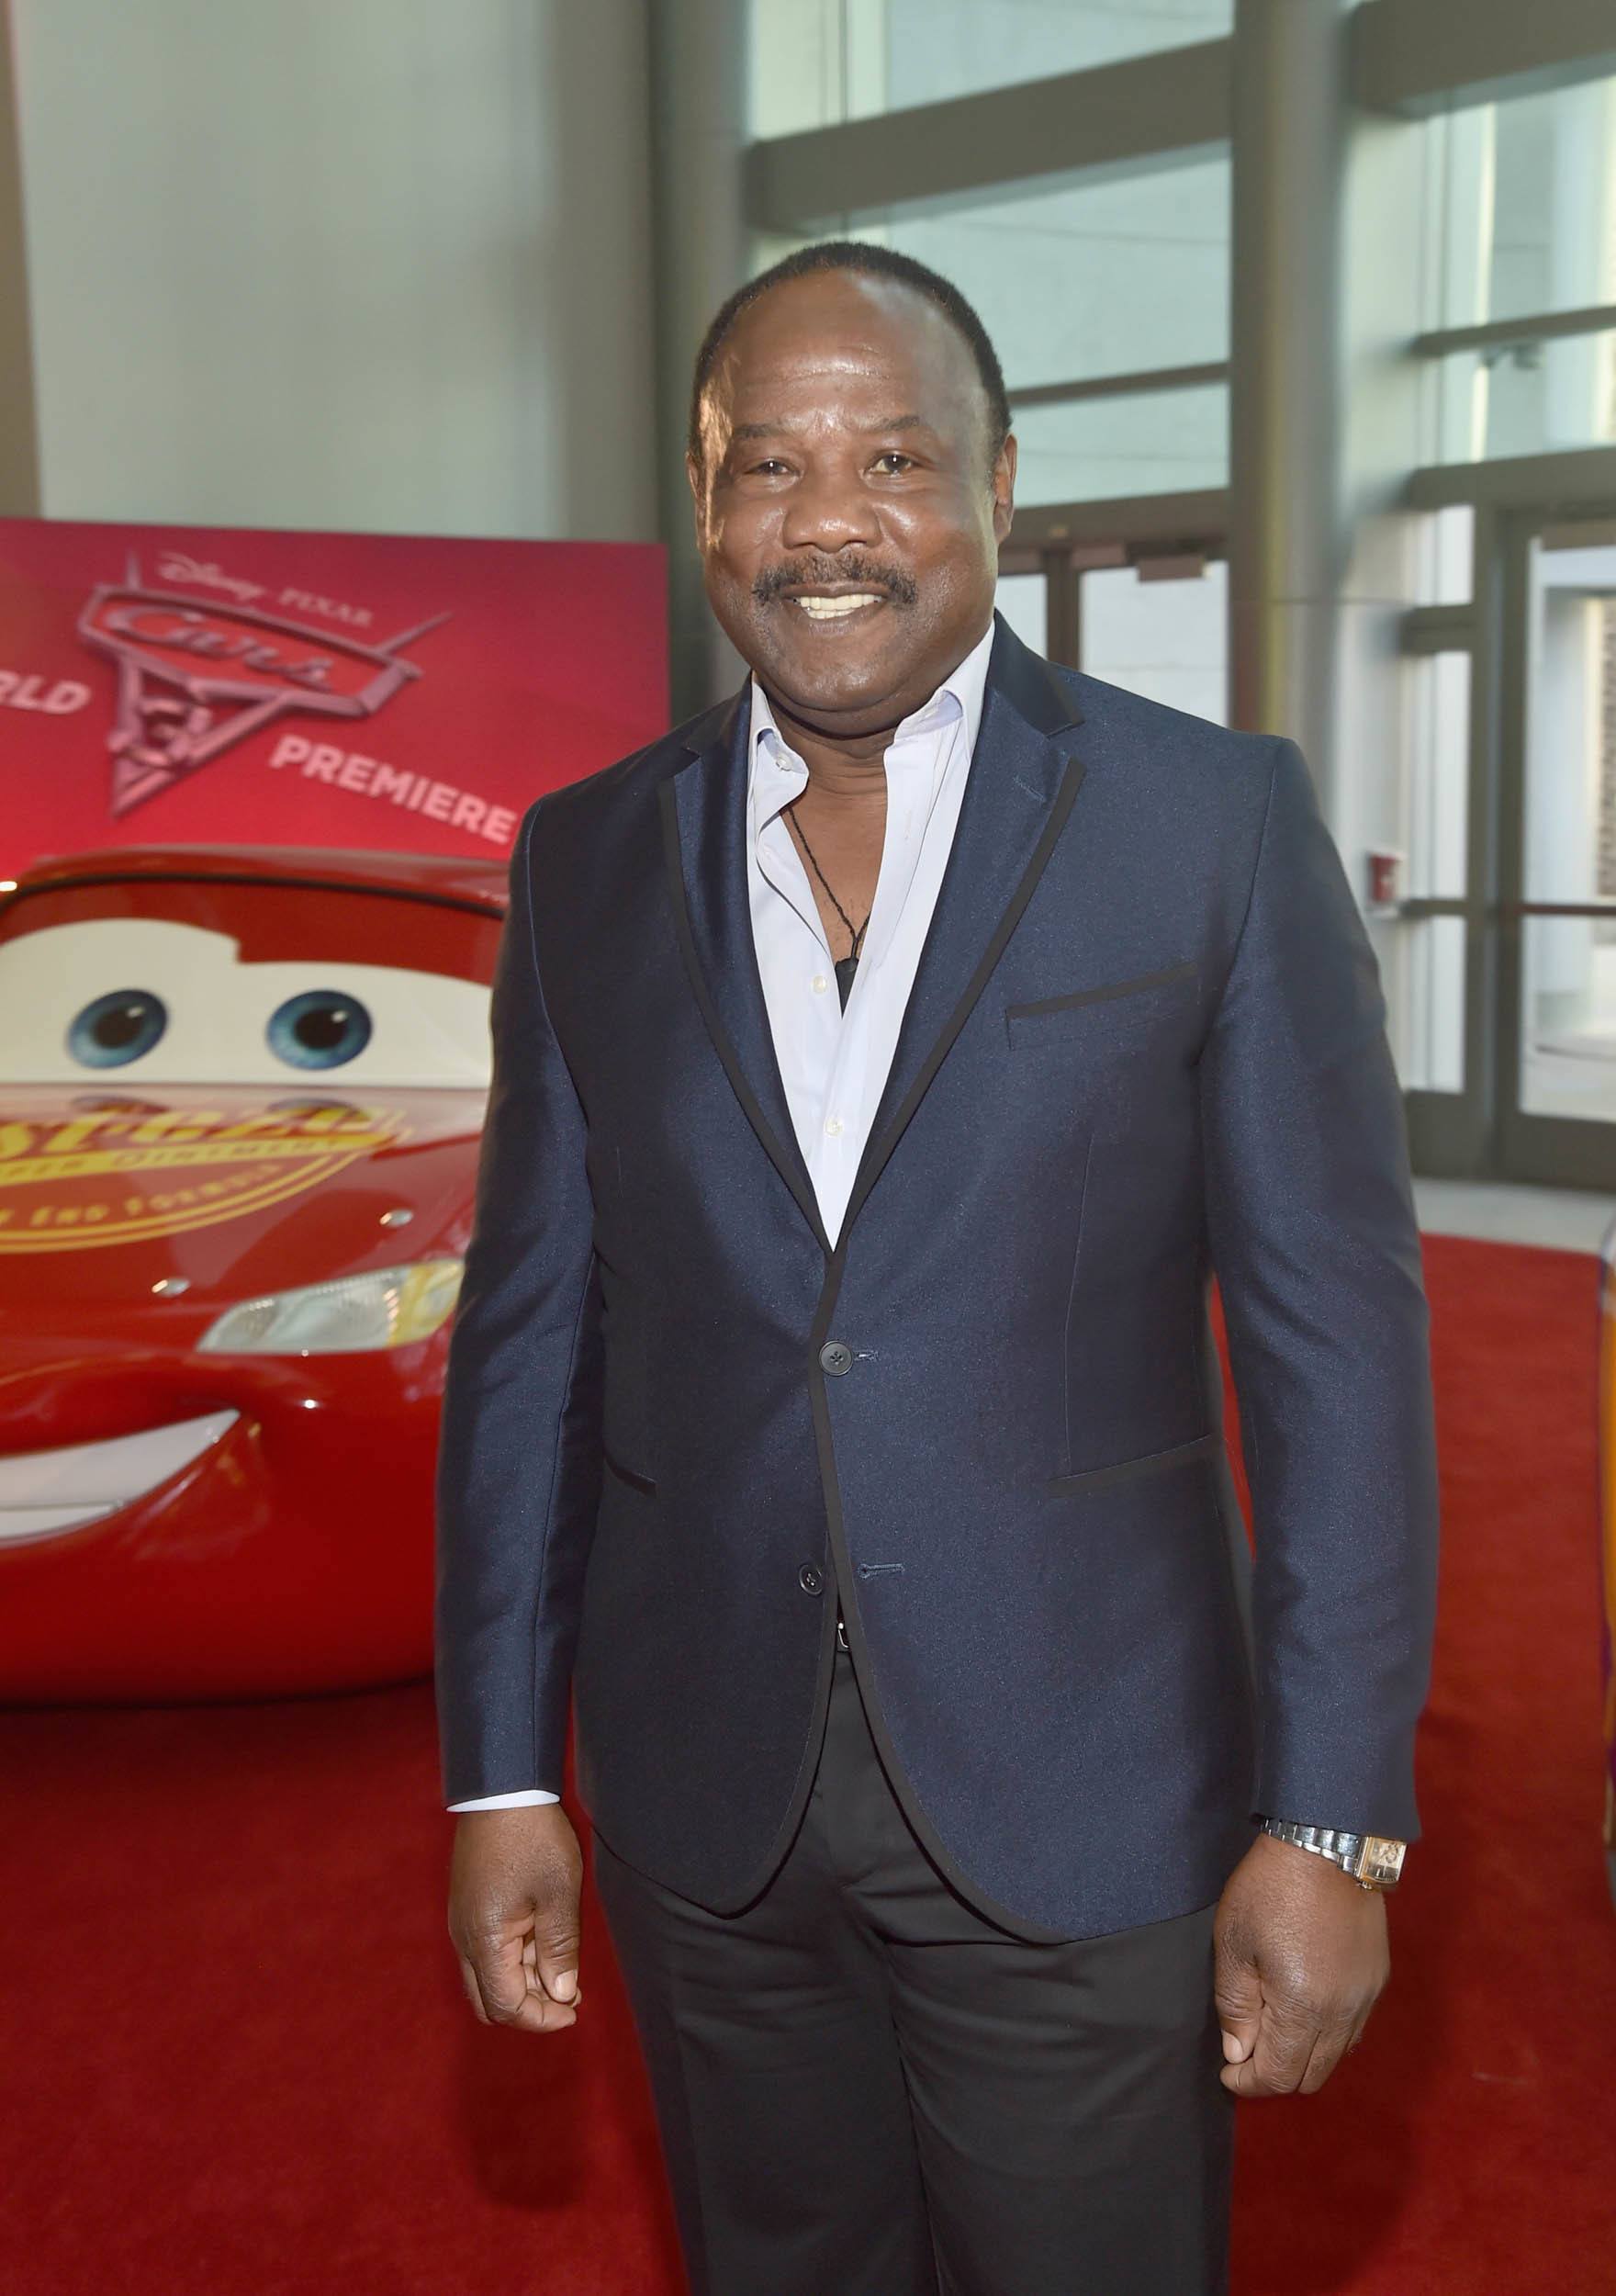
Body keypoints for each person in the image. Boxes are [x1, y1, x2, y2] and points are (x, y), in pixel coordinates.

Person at [433, 241, 1440, 2296]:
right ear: (703, 496)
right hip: (707, 1802)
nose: (827, 522)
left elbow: (1338, 1355)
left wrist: (1331, 1818)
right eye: (768, 463)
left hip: (1089, 1785)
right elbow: (531, 1340)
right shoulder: (586, 856)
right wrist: (504, 1771)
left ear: (997, 479)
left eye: (892, 458)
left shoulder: (1210, 824)